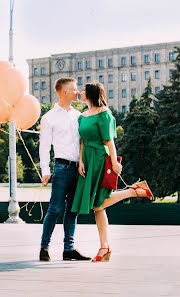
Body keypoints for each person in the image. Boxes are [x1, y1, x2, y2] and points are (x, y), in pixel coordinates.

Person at [72, 81, 154, 262]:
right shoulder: (82, 116)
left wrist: (115, 163)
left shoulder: (104, 115)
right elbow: (82, 141)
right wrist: (80, 161)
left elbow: (109, 141)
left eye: (84, 90)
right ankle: (104, 246)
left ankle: (132, 191)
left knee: (99, 204)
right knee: (98, 208)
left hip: (101, 158)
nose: (80, 92)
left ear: (91, 93)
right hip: (87, 160)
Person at [39, 77, 90, 262]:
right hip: (61, 168)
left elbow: (83, 142)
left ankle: (69, 249)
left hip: (78, 169)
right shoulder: (49, 118)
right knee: (55, 209)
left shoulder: (79, 116)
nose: (77, 92)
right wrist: (45, 171)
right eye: (74, 89)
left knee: (72, 211)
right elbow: (44, 147)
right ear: (63, 92)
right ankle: (44, 247)